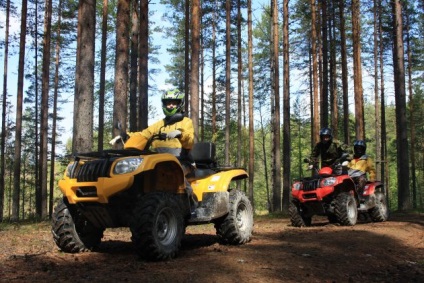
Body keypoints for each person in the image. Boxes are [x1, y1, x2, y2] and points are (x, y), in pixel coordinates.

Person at [110, 89, 197, 207]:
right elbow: (144, 134)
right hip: (160, 161)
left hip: (182, 160)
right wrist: (126, 135)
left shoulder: (186, 122)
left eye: (173, 102)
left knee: (176, 174)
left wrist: (180, 134)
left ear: (179, 104)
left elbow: (190, 140)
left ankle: (191, 202)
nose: (170, 105)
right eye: (168, 103)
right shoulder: (160, 124)